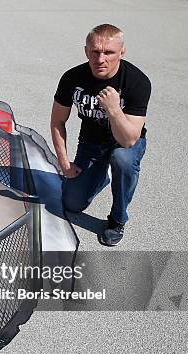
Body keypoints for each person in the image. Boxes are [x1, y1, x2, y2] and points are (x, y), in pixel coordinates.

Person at [51, 23, 151, 246]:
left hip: (124, 143)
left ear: (122, 53)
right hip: (91, 142)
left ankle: (117, 219)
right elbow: (57, 121)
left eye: (109, 53)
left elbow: (129, 140)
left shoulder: (137, 82)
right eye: (95, 52)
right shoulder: (72, 78)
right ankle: (100, 175)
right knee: (72, 204)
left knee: (122, 160)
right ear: (86, 51)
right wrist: (64, 163)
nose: (100, 59)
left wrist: (114, 109)